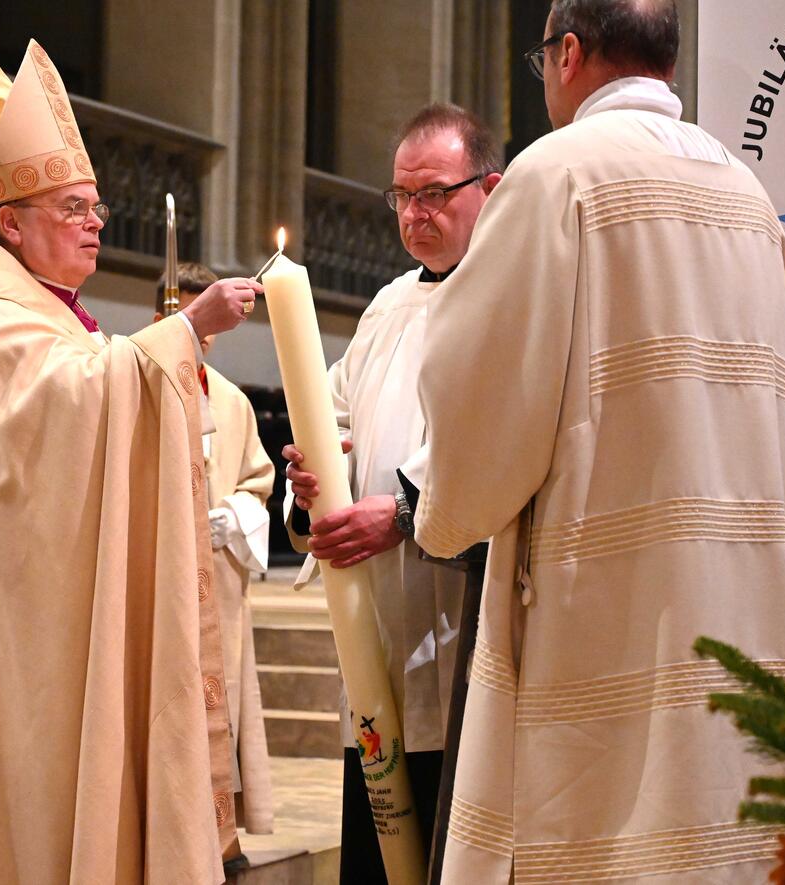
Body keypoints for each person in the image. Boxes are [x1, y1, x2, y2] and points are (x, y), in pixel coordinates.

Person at [413, 2, 785, 882]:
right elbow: (784, 386)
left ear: (566, 54)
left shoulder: (558, 175)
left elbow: (479, 387)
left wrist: (442, 516)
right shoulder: (748, 196)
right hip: (734, 612)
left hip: (602, 626)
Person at [0, 40, 260, 884]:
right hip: (18, 644)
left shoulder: (50, 315)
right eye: (73, 208)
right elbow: (69, 410)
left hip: (57, 622)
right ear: (11, 222)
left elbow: (94, 389)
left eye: (97, 208)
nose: (95, 223)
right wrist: (185, 329)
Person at [281, 102, 502, 882]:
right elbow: (330, 418)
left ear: (491, 187)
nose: (415, 214)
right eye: (402, 196)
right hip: (373, 641)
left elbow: (507, 453)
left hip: (458, 633)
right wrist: (309, 481)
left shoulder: (511, 302)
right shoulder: (384, 308)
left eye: (435, 192)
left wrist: (405, 514)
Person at [153, 261, 276, 834]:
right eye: (190, 321)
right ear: (163, 316)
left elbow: (258, 482)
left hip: (217, 580)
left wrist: (232, 517)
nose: (202, 338)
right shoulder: (136, 380)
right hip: (156, 577)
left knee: (217, 698)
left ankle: (220, 838)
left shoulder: (232, 401)